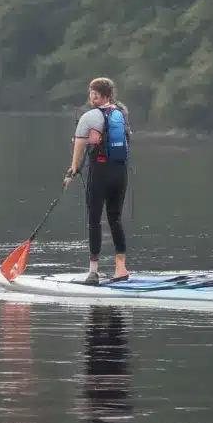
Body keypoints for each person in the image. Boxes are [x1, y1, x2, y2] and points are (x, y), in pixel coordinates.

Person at [65, 77, 131, 284]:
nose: (92, 98)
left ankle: (93, 272)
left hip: (100, 172)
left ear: (105, 96)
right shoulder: (122, 114)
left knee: (94, 220)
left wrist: (73, 170)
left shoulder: (89, 116)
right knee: (115, 218)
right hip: (120, 172)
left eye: (95, 95)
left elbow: (79, 145)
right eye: (91, 94)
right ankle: (121, 268)